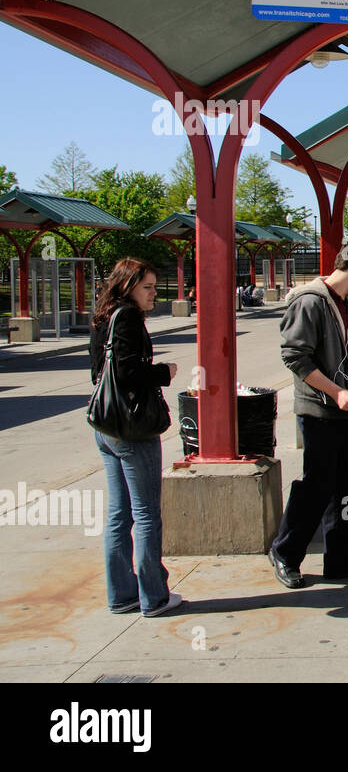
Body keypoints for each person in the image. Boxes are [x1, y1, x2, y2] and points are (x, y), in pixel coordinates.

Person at [269, 238, 348, 588]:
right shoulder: (311, 302)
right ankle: (286, 552)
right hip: (319, 408)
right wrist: (336, 392)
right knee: (317, 485)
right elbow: (295, 356)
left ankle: (341, 553)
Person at [89, 257, 183, 617]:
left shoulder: (103, 317)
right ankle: (154, 596)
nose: (153, 294)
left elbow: (101, 370)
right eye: (147, 287)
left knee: (119, 514)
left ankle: (121, 594)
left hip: (106, 427)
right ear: (127, 286)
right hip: (132, 429)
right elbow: (128, 371)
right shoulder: (127, 317)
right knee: (146, 514)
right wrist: (164, 371)